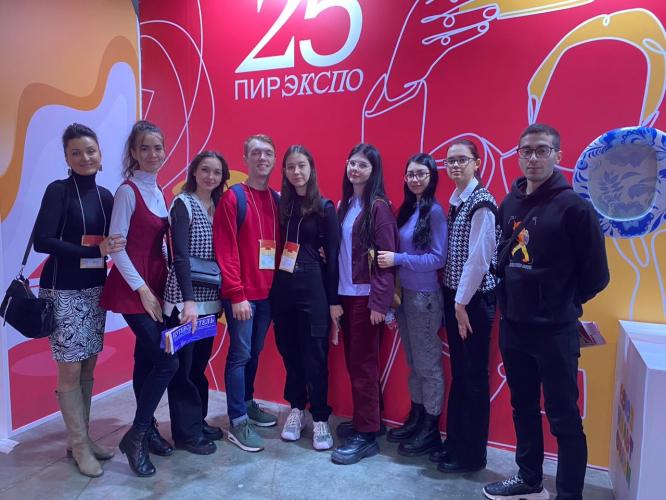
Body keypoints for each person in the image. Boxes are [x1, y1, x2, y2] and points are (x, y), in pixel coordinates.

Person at [483, 124, 609, 500]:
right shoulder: (509, 204)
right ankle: (529, 478)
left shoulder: (575, 209)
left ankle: (569, 493)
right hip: (514, 326)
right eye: (526, 151)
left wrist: (559, 302)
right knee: (522, 406)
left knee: (563, 417)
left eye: (542, 150)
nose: (533, 158)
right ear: (518, 156)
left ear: (558, 155)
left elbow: (597, 276)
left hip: (555, 330)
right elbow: (503, 258)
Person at [34, 123, 122, 478]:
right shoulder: (58, 191)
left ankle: (80, 439)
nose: (84, 158)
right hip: (63, 289)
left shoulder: (106, 196)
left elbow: (118, 238)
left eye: (90, 151)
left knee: (88, 365)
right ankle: (80, 445)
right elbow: (42, 241)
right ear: (67, 158)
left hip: (95, 288)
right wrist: (92, 251)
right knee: (70, 367)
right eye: (76, 153)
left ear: (100, 154)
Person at [100, 120, 176, 477]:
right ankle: (137, 434)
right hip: (134, 287)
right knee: (167, 361)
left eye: (157, 147)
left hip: (157, 283)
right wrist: (143, 290)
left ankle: (148, 432)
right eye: (144, 148)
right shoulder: (127, 192)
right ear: (133, 152)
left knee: (146, 359)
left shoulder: (160, 190)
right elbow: (117, 248)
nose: (152, 154)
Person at [433, 139, 498, 474]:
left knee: (473, 378)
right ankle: (455, 444)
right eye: (450, 161)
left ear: (477, 163)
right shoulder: (457, 200)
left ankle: (472, 456)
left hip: (471, 302)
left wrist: (460, 305)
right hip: (456, 298)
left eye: (462, 159)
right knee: (460, 374)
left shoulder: (482, 202)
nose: (455, 166)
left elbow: (479, 259)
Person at [331, 143, 398, 465]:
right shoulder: (346, 205)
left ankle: (367, 434)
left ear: (374, 172)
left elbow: (386, 259)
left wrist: (379, 303)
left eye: (362, 165)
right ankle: (369, 420)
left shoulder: (378, 207)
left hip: (366, 297)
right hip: (346, 294)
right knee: (357, 363)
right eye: (352, 163)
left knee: (363, 366)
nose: (355, 169)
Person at [269, 145, 340, 451]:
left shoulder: (325, 208)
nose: (296, 172)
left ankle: (321, 417)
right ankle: (296, 409)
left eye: (301, 166)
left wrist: (334, 300)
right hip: (283, 291)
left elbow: (333, 258)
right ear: (284, 172)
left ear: (311, 169)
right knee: (290, 354)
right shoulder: (281, 206)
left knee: (315, 356)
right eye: (290, 167)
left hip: (314, 292)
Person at [213, 134, 281, 452]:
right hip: (242, 295)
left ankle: (248, 402)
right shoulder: (233, 198)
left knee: (254, 352)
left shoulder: (277, 200)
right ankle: (237, 421)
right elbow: (225, 250)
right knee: (239, 355)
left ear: (274, 159)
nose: (262, 158)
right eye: (256, 153)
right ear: (245, 158)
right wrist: (237, 294)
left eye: (267, 153)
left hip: (268, 295)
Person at [377, 153, 447, 457]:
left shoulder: (435, 212)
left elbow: (438, 258)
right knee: (414, 362)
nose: (415, 179)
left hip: (424, 298)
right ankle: (417, 418)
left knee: (428, 364)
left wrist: (399, 259)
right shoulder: (407, 210)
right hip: (404, 296)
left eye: (421, 174)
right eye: (411, 174)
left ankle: (431, 428)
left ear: (431, 177)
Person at [163, 151, 230, 455]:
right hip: (184, 302)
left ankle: (197, 422)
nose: (210, 177)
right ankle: (185, 434)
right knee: (184, 370)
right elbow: (179, 255)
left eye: (217, 172)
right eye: (205, 170)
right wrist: (188, 301)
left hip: (210, 301)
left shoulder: (219, 205)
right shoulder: (183, 203)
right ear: (194, 172)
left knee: (199, 366)